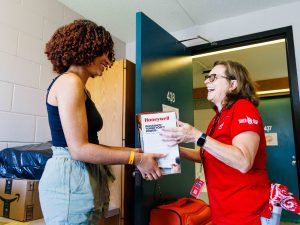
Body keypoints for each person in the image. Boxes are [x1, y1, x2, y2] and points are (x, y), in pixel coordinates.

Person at [39, 19, 163, 225]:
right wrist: (136, 160)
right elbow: (79, 150)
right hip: (70, 177)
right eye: (102, 52)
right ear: (85, 49)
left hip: (84, 176)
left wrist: (136, 152)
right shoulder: (69, 82)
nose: (107, 59)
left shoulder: (80, 87)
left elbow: (91, 143)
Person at [161, 60, 277, 225]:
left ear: (233, 84)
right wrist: (179, 151)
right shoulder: (217, 118)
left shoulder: (243, 108)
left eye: (213, 77)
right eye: (208, 77)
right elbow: (211, 155)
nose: (207, 81)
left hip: (246, 214)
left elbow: (243, 161)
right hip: (222, 212)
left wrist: (196, 136)